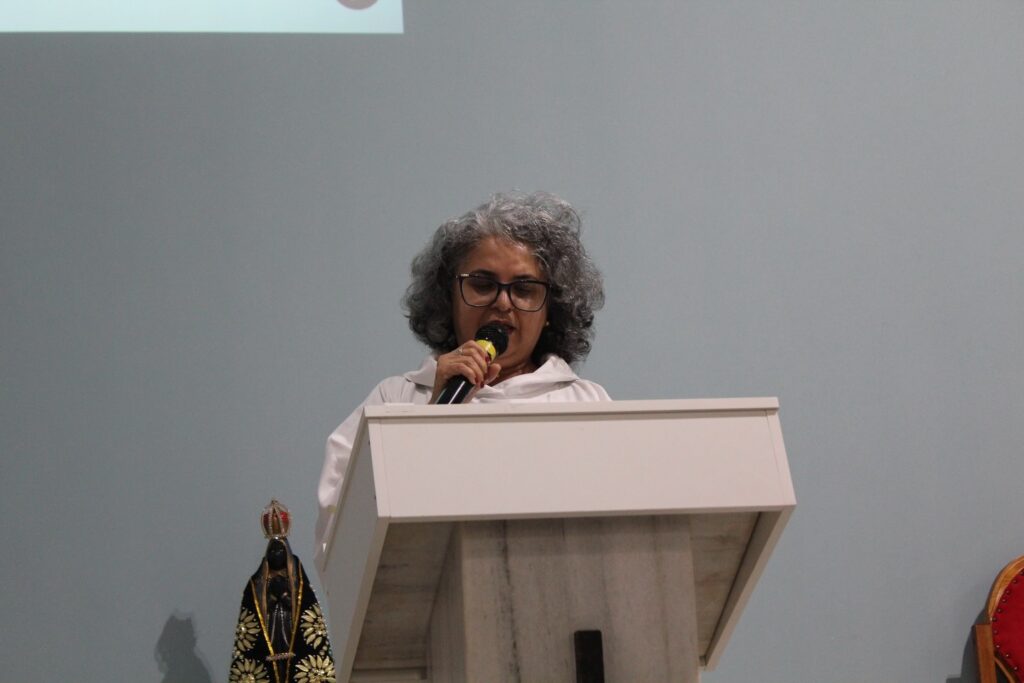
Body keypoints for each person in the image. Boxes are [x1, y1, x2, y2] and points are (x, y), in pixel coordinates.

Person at [315, 192, 609, 565]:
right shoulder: (394, 401)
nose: (503, 303)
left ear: (551, 309)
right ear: (448, 297)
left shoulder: (586, 405)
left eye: (524, 289)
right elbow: (340, 541)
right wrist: (431, 418)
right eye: (483, 284)